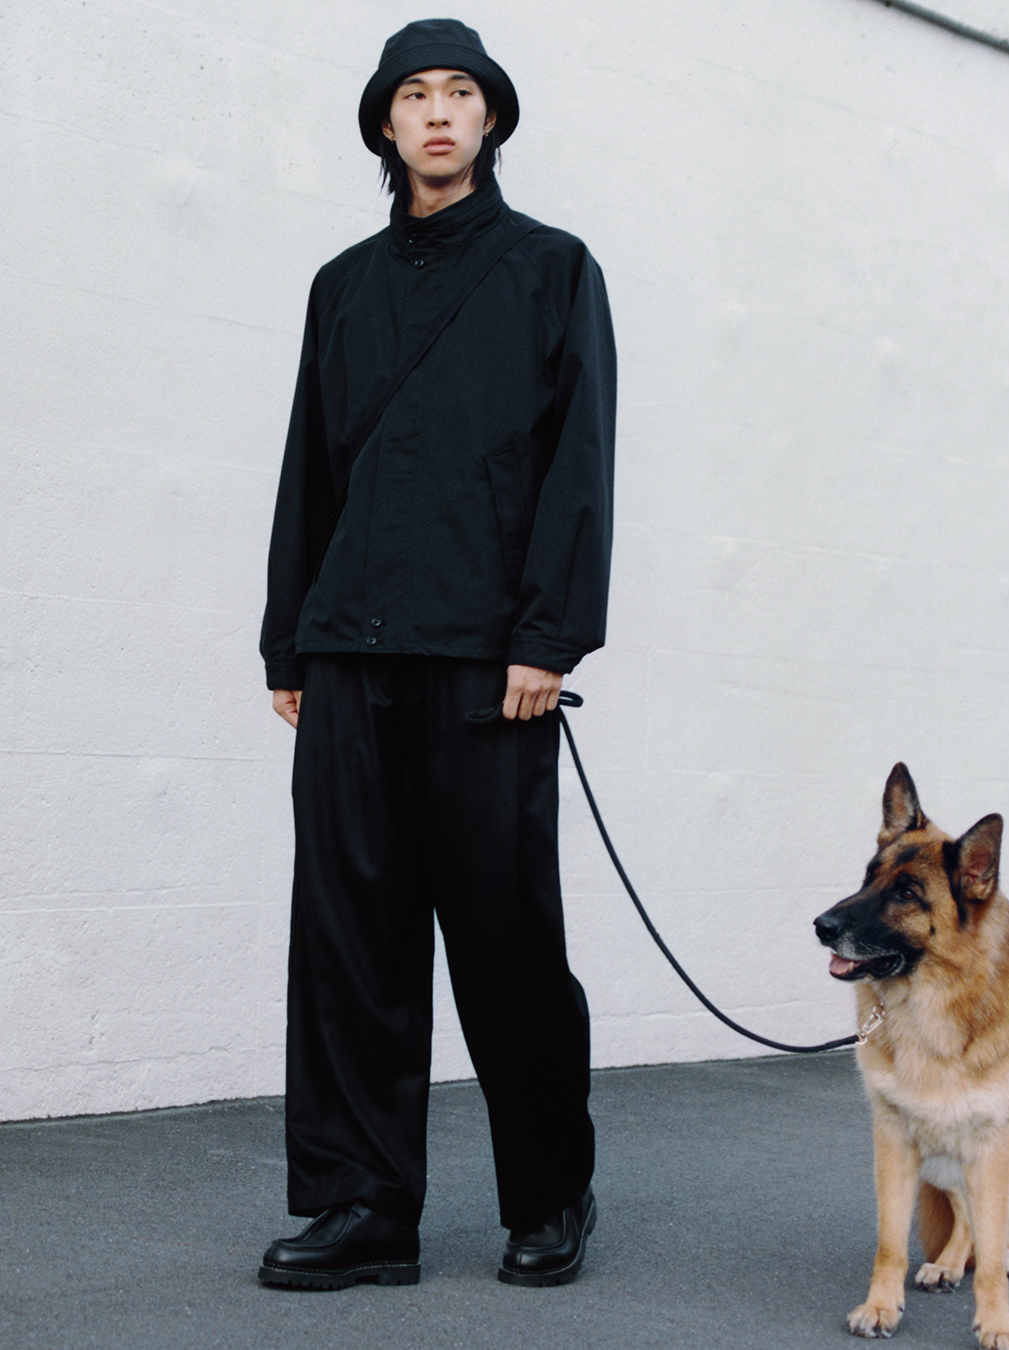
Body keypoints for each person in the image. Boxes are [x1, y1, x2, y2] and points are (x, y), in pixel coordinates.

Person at [257, 19, 616, 1290]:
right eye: (415, 96)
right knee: (349, 939)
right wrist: (286, 639)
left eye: (461, 92)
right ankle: (366, 1210)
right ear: (386, 124)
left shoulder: (551, 270)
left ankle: (550, 1192)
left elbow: (579, 467)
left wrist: (549, 636)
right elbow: (312, 467)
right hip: (348, 654)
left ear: (493, 118)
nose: (440, 114)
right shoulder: (340, 287)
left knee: (507, 935)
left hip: (487, 665)